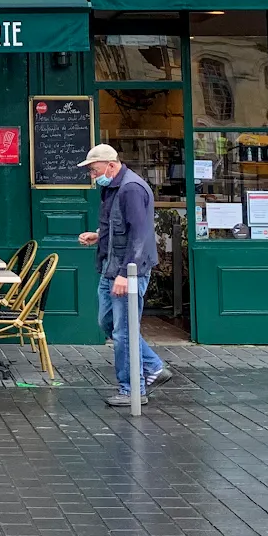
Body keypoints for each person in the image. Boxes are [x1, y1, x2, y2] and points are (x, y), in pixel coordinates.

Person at [77, 143, 171, 406]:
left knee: (123, 331)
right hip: (112, 267)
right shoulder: (113, 187)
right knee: (108, 323)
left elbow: (140, 235)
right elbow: (121, 226)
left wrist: (125, 274)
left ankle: (132, 390)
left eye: (95, 171)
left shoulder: (131, 188)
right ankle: (154, 367)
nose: (93, 176)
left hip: (127, 270)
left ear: (111, 165)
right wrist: (99, 236)